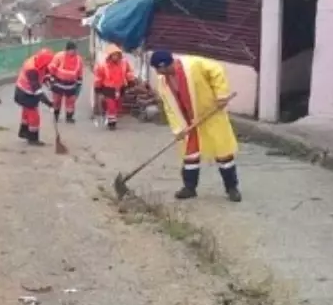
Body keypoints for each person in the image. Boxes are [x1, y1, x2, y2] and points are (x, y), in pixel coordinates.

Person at [150, 50, 241, 202]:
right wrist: (178, 129)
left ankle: (232, 188)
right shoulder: (163, 82)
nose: (157, 72)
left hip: (209, 115)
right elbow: (169, 107)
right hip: (187, 121)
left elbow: (216, 70)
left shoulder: (193, 65)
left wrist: (221, 95)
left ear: (163, 66)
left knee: (223, 153)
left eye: (157, 69)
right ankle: (189, 188)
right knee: (190, 154)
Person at [14, 47, 55, 145]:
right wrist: (49, 103)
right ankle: (33, 139)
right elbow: (37, 90)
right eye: (48, 63)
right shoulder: (31, 69)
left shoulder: (37, 60)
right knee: (34, 115)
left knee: (26, 112)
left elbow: (44, 72)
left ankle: (23, 132)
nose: (49, 65)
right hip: (25, 93)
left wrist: (49, 82)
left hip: (22, 90)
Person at [93, 44, 136, 130]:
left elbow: (128, 72)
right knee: (111, 105)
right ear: (110, 56)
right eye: (113, 55)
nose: (115, 57)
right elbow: (99, 77)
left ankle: (111, 117)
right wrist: (97, 87)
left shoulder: (124, 63)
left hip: (120, 87)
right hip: (108, 88)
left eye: (116, 54)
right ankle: (111, 123)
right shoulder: (103, 65)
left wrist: (131, 80)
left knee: (118, 105)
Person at [48, 40, 84, 125]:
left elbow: (80, 71)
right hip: (58, 83)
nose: (74, 51)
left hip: (71, 84)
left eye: (75, 49)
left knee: (71, 101)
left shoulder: (78, 59)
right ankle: (56, 116)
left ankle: (69, 117)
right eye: (72, 49)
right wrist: (51, 78)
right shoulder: (59, 56)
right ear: (67, 50)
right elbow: (52, 67)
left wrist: (79, 82)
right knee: (57, 101)